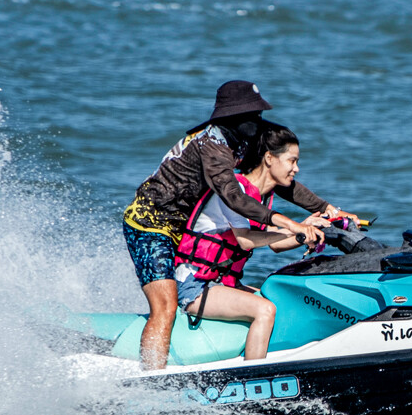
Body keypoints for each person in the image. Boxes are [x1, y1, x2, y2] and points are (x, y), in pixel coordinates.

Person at [123, 80, 354, 369]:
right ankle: (151, 382)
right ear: (233, 117)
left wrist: (327, 209)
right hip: (149, 225)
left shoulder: (243, 140)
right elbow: (233, 196)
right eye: (254, 116)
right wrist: (290, 224)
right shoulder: (213, 146)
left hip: (182, 228)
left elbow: (279, 179)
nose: (260, 123)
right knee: (165, 306)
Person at [173, 123, 340, 360]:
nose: (297, 169)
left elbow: (275, 244)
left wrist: (308, 231)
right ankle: (252, 380)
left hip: (223, 283)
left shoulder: (262, 199)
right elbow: (246, 241)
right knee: (265, 309)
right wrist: (298, 231)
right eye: (292, 161)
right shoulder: (237, 192)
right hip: (195, 284)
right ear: (270, 158)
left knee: (280, 300)